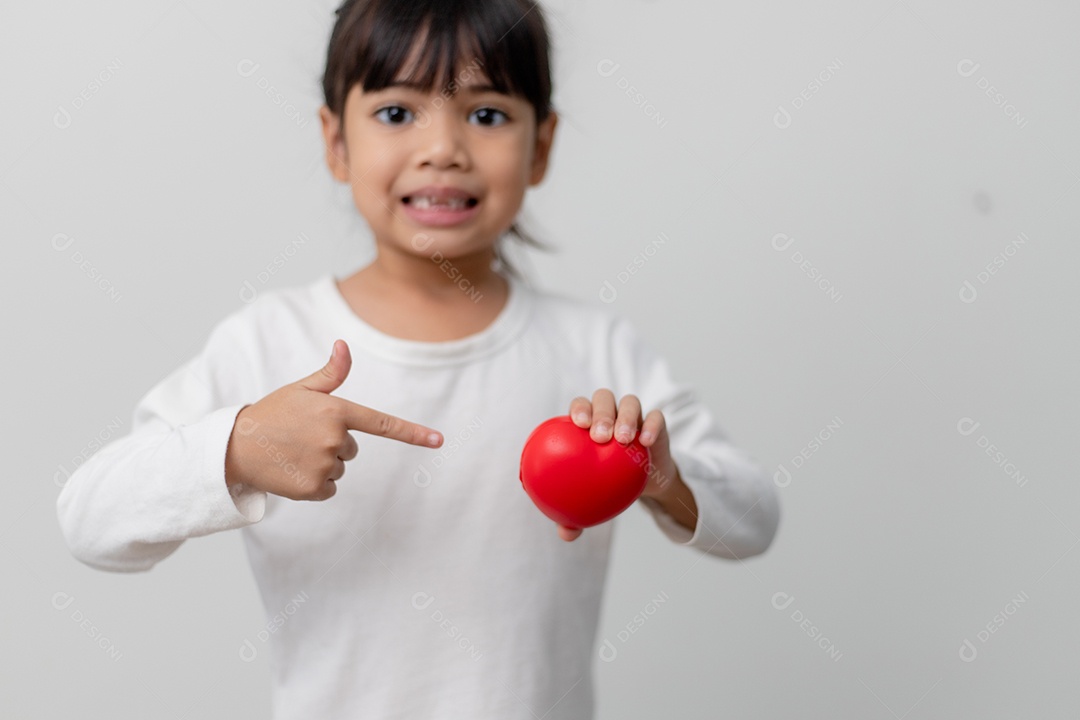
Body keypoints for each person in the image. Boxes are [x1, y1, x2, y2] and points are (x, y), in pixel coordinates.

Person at [56, 0, 780, 717]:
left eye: (488, 113)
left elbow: (753, 520)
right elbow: (89, 521)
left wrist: (662, 475)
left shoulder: (596, 346)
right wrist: (237, 447)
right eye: (397, 113)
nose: (444, 149)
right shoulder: (268, 340)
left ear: (543, 146)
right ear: (335, 142)